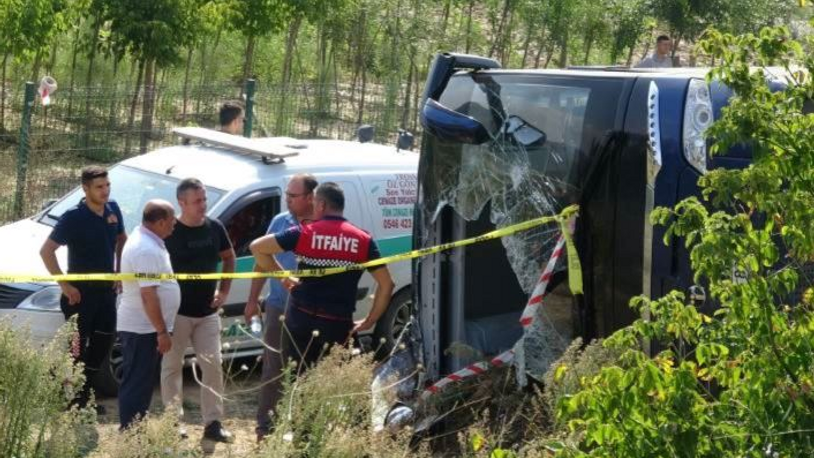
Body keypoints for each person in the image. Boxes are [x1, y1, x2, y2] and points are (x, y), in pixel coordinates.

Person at [250, 182, 395, 372]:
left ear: (321, 205)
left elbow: (257, 248)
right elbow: (387, 284)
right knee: (334, 384)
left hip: (300, 320)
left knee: (298, 381)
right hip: (338, 324)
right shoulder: (363, 240)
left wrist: (284, 277)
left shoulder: (304, 233)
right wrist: (370, 319)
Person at [40, 165, 126, 414]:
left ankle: (85, 394)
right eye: (99, 187)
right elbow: (46, 252)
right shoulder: (73, 217)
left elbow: (122, 240)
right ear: (85, 188)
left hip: (106, 294)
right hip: (80, 296)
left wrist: (119, 271)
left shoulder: (113, 209)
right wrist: (64, 285)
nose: (105, 191)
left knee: (102, 344)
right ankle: (72, 397)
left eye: (107, 185)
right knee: (77, 348)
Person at [160, 178, 235, 442]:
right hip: (177, 313)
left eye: (204, 199)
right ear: (182, 203)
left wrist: (224, 291)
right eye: (197, 201)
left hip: (207, 313)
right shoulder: (170, 231)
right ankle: (172, 423)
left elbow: (229, 257)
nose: (203, 205)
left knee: (213, 366)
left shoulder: (215, 227)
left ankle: (213, 424)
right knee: (172, 367)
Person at [244, 173, 317, 441]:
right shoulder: (280, 222)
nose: (286, 199)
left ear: (310, 198)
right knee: (273, 369)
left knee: (307, 369)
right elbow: (260, 260)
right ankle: (265, 429)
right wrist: (252, 300)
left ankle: (302, 428)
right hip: (278, 307)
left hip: (312, 311)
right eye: (287, 194)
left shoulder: (322, 224)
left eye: (292, 195)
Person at [116, 200, 180, 430]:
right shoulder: (145, 249)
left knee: (142, 383)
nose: (175, 225)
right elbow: (148, 295)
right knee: (137, 383)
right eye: (172, 221)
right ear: (161, 222)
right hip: (143, 328)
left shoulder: (151, 242)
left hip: (145, 327)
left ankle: (136, 432)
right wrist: (162, 331)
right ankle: (132, 436)